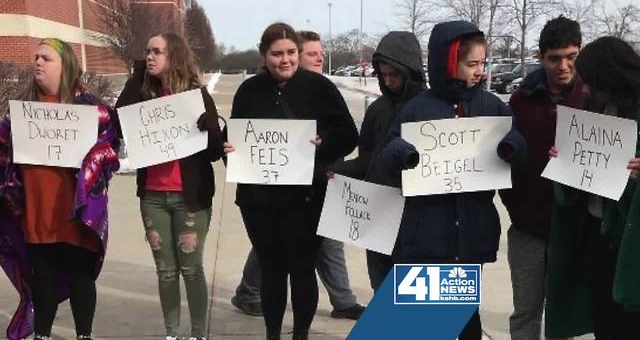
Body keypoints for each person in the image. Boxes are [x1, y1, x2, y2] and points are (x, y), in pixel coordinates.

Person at [372, 21, 526, 340]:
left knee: (466, 315)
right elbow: (384, 160)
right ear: (449, 62)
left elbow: (520, 146)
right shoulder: (416, 108)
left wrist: (510, 148)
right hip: (426, 235)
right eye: (472, 64)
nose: (480, 71)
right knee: (428, 325)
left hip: (471, 236)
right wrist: (401, 151)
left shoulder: (491, 106)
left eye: (483, 63)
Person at [224, 22, 358, 340]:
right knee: (271, 270)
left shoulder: (320, 88)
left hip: (307, 198)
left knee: (301, 268)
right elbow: (235, 141)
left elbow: (349, 136)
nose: (285, 59)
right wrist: (229, 148)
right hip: (259, 200)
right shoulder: (249, 91)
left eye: (291, 52)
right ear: (264, 55)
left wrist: (323, 140)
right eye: (277, 53)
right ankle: (272, 332)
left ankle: (300, 333)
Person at [0, 38, 120, 340]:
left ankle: (84, 335)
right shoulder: (21, 111)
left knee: (81, 277)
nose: (37, 62)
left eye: (46, 58)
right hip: (36, 211)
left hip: (77, 211)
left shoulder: (91, 110)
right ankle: (42, 334)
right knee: (43, 278)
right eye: (36, 57)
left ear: (65, 65)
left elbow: (111, 149)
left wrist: (93, 158)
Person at [115, 33, 224, 340]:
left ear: (173, 56)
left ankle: (198, 334)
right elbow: (118, 121)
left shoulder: (196, 95)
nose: (150, 56)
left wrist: (211, 129)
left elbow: (214, 152)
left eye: (157, 52)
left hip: (190, 199)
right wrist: (138, 75)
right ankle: (172, 333)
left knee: (191, 270)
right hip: (153, 198)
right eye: (147, 51)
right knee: (165, 272)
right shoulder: (143, 93)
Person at [545, 36, 640, 339]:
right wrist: (564, 161)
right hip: (596, 234)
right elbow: (576, 182)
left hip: (629, 241)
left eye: (590, 80)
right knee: (604, 319)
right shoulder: (594, 107)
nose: (583, 87)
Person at [499, 15, 583, 340]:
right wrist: (516, 206)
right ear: (541, 57)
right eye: (555, 58)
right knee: (525, 312)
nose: (563, 65)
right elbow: (504, 155)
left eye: (571, 57)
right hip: (528, 229)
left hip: (575, 228)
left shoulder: (593, 96)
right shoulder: (521, 99)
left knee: (565, 316)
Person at [331, 30, 426, 291]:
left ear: (410, 70)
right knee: (382, 287)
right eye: (383, 75)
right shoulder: (377, 109)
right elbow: (368, 160)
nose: (389, 80)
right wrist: (341, 170)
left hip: (418, 218)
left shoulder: (429, 107)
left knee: (413, 296)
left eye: (394, 74)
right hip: (379, 213)